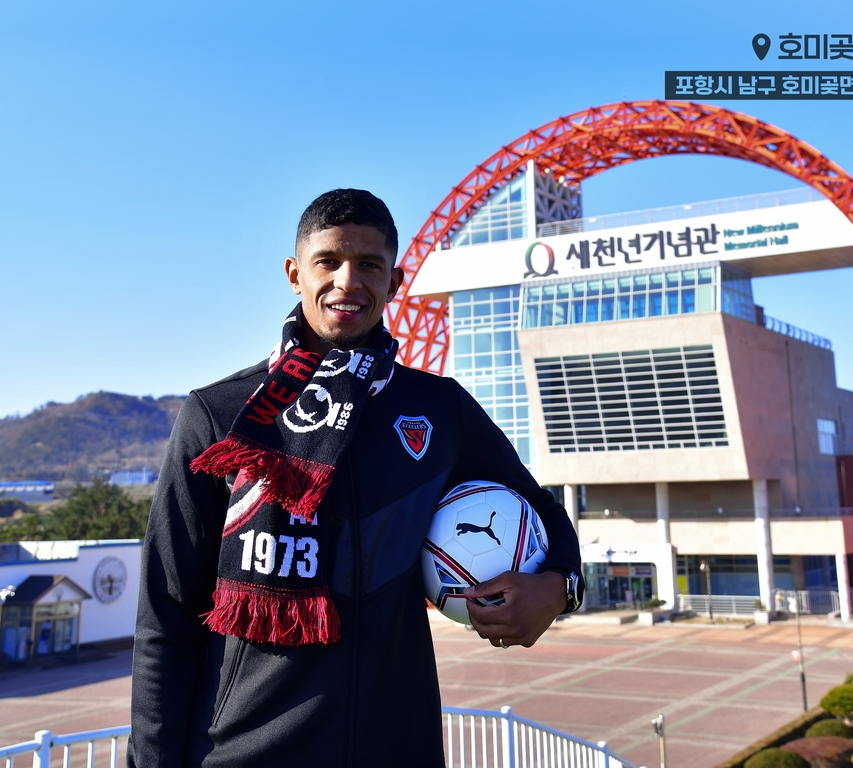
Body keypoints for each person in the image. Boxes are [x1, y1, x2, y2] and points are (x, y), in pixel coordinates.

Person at [127, 189, 584, 768]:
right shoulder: (221, 416)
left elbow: (541, 510)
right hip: (240, 753)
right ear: (295, 274)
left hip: (398, 748)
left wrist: (560, 586)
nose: (349, 280)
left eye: (370, 265)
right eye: (329, 262)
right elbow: (166, 620)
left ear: (393, 282)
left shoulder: (438, 410)